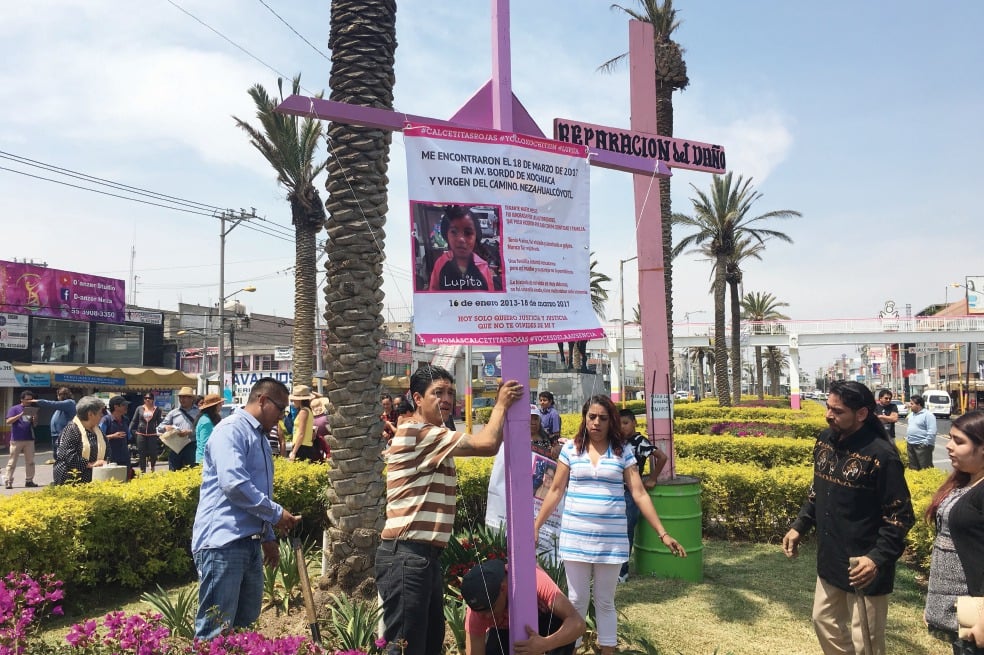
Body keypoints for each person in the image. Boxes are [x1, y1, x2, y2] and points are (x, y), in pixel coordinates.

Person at [376, 364, 524, 655]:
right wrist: (502, 405)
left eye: (451, 393)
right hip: (407, 556)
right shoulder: (419, 432)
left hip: (420, 557)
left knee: (428, 645)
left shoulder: (433, 434)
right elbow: (488, 443)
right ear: (417, 398)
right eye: (438, 393)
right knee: (405, 648)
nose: (446, 399)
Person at [533, 395, 686, 655]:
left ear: (611, 421)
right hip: (576, 538)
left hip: (611, 541)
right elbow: (556, 490)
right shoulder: (571, 449)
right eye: (592, 417)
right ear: (584, 418)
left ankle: (608, 651)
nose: (596, 423)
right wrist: (535, 526)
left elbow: (638, 493)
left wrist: (663, 533)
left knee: (605, 602)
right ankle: (572, 649)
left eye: (603, 418)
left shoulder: (622, 451)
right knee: (576, 601)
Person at [782, 380, 915, 655]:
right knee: (823, 621)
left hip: (864, 566)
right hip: (831, 557)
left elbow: (901, 516)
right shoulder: (824, 440)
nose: (829, 415)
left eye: (838, 411)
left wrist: (876, 558)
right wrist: (800, 526)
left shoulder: (882, 455)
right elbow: (817, 491)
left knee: (865, 642)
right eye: (829, 408)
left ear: (862, 414)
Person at [191, 378, 300, 639]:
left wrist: (268, 537)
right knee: (214, 632)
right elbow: (234, 484)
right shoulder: (231, 430)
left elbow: (259, 492)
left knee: (244, 631)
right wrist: (276, 514)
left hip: (248, 543)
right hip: (223, 544)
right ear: (262, 400)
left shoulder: (259, 436)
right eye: (281, 408)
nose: (283, 417)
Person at [924, 410, 984, 654]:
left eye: (959, 441)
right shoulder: (965, 481)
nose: (948, 446)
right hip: (958, 613)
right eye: (950, 438)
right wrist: (934, 604)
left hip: (977, 615)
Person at [461, 559, 585, 655]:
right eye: (481, 613)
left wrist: (545, 644)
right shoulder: (476, 611)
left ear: (503, 589)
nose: (487, 616)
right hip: (504, 632)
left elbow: (578, 624)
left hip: (544, 626)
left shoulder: (532, 578)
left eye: (491, 609)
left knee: (559, 624)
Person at [618, 408, 668, 583]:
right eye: (619, 423)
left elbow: (662, 457)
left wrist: (653, 478)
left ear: (634, 423)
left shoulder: (640, 441)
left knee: (626, 531)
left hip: (631, 493)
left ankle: (623, 571)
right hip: (615, 491)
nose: (622, 427)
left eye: (625, 423)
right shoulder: (617, 442)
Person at [427, 206, 496, 292]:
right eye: (454, 232)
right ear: (446, 235)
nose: (461, 239)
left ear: (476, 237)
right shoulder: (440, 264)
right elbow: (433, 297)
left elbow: (490, 300)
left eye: (468, 233)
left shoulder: (483, 267)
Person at [53, 396, 108, 485]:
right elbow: (67, 455)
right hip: (71, 479)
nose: (102, 416)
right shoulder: (71, 429)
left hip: (92, 478)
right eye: (100, 413)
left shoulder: (97, 430)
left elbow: (107, 450)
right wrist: (91, 464)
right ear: (90, 414)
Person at [157, 386, 200, 471]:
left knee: (191, 471)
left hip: (192, 445)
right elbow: (159, 428)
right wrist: (166, 427)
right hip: (175, 447)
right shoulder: (173, 413)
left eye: (185, 397)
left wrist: (190, 432)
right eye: (180, 397)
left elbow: (202, 429)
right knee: (174, 471)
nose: (182, 399)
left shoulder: (199, 412)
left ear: (191, 399)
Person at [30, 387, 76, 464]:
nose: (57, 397)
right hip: (56, 434)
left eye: (58, 395)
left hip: (63, 434)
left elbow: (52, 404)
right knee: (57, 454)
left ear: (61, 395)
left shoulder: (69, 403)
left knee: (63, 454)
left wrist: (37, 401)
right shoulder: (61, 406)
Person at [5, 390, 39, 489]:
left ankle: (29, 480)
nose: (29, 401)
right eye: (27, 399)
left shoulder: (32, 409)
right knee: (12, 462)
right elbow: (8, 421)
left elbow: (35, 425)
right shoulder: (14, 409)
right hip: (16, 439)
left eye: (31, 399)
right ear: (22, 399)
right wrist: (20, 415)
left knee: (30, 462)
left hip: (29, 439)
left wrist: (34, 419)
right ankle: (8, 481)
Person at [130, 393, 163, 473]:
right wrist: (130, 430)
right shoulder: (139, 408)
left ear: (153, 399)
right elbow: (134, 420)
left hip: (152, 434)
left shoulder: (157, 409)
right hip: (141, 433)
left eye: (150, 398)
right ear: (144, 399)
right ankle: (142, 470)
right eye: (146, 398)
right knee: (141, 452)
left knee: (153, 452)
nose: (148, 399)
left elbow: (159, 422)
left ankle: (152, 467)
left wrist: (161, 431)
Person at [286, 385, 318, 462]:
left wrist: (294, 452)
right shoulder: (308, 410)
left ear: (299, 400)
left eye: (294, 400)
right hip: (306, 445)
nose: (293, 402)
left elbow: (301, 433)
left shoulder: (303, 412)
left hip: (302, 447)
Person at [99, 395, 131, 469]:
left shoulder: (125, 420)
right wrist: (113, 436)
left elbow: (129, 437)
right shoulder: (106, 420)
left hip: (124, 456)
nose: (126, 407)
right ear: (116, 407)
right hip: (111, 457)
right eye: (123, 405)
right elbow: (99, 437)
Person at [907, 394, 938, 470]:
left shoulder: (928, 415)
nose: (910, 405)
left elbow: (932, 431)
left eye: (912, 404)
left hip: (922, 445)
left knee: (925, 467)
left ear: (919, 404)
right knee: (913, 468)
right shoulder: (911, 414)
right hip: (911, 444)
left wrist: (925, 443)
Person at [194, 394, 223, 464]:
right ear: (215, 406)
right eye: (220, 404)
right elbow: (205, 444)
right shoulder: (206, 421)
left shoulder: (209, 418)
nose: (221, 406)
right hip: (205, 460)